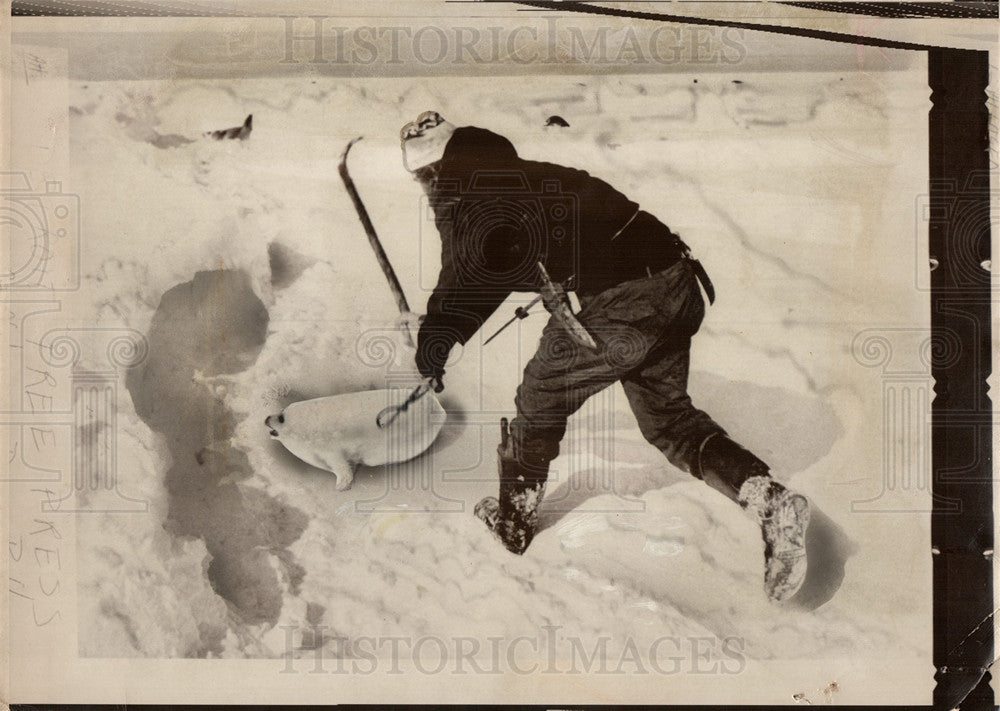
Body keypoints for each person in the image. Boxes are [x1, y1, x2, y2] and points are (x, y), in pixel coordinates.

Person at [397, 110, 810, 602]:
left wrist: (434, 341)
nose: (427, 190)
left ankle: (516, 518)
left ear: (436, 171)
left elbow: (471, 270)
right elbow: (493, 264)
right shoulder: (516, 174)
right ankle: (770, 501)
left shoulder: (469, 198)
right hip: (677, 282)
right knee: (669, 422)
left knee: (541, 395)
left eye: (423, 178)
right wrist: (442, 332)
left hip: (628, 301)